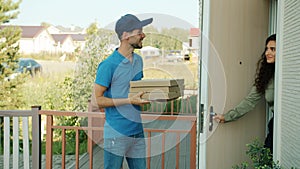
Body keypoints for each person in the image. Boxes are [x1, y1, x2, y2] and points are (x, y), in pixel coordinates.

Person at [94, 14, 152, 169]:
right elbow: (98, 100)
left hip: (137, 132)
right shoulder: (108, 65)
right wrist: (129, 100)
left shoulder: (139, 61)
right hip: (116, 134)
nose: (143, 35)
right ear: (126, 35)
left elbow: (135, 90)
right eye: (139, 32)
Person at [213, 34, 276, 153]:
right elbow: (250, 101)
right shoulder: (267, 76)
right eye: (267, 49)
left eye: (273, 49)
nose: (268, 52)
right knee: (268, 158)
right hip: (275, 126)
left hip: (291, 126)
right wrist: (227, 117)